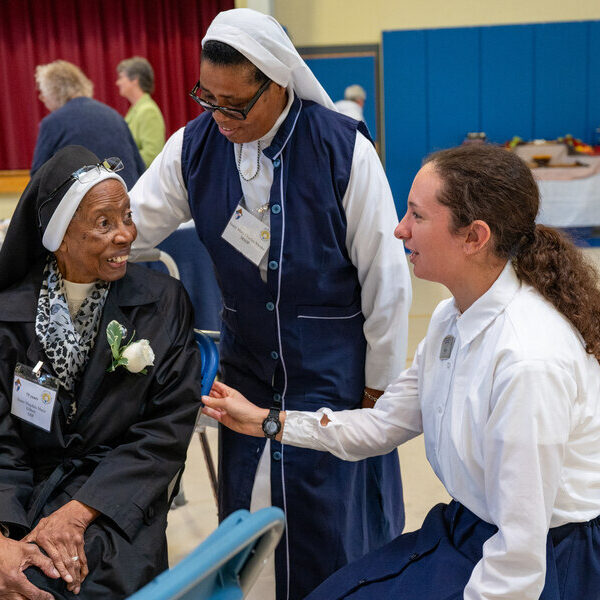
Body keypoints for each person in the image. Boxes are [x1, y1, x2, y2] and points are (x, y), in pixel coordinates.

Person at [202, 144, 600, 600]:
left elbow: (520, 560)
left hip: (549, 561)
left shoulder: (528, 360)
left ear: (474, 237)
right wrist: (266, 421)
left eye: (418, 216)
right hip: (473, 527)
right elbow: (383, 424)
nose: (400, 229)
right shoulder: (453, 316)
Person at [128, 8, 411, 600]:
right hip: (247, 370)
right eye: (208, 98)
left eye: (236, 105)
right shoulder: (194, 147)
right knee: (250, 522)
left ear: (278, 83)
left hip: (333, 372)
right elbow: (131, 228)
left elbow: (386, 278)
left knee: (330, 524)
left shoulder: (343, 151)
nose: (221, 117)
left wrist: (379, 385)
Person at [0, 146, 202, 599]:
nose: (126, 234)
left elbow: (165, 432)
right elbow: (1, 440)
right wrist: (4, 537)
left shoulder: (162, 303)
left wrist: (80, 509)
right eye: (104, 222)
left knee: (64, 586)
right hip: (22, 491)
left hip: (116, 495)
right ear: (60, 236)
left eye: (127, 217)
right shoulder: (8, 317)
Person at [32, 60, 145, 190]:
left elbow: (38, 180)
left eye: (43, 92)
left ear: (54, 90)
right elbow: (139, 168)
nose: (42, 98)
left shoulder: (52, 123)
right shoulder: (115, 116)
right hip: (126, 200)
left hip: (86, 204)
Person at [116, 57, 166, 168]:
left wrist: (121, 164)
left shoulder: (148, 111)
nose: (117, 83)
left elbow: (152, 155)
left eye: (121, 77)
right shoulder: (135, 110)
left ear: (135, 80)